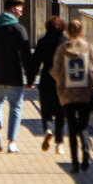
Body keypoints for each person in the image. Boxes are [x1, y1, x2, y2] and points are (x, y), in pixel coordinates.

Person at [0, 0, 34, 153]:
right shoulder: (19, 30)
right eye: (20, 10)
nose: (21, 13)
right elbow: (26, 57)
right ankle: (11, 142)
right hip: (15, 75)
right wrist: (30, 79)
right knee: (15, 108)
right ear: (12, 9)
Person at [50, 19, 93, 173]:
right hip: (85, 94)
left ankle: (74, 163)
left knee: (72, 129)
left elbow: (55, 71)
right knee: (84, 126)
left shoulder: (62, 49)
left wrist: (63, 80)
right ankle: (86, 151)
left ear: (67, 31)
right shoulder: (88, 47)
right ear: (81, 31)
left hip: (68, 94)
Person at [31, 16, 68, 155]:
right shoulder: (66, 43)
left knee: (46, 109)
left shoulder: (43, 42)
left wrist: (30, 80)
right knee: (60, 113)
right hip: (62, 81)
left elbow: (35, 62)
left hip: (46, 79)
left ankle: (47, 128)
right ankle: (59, 144)